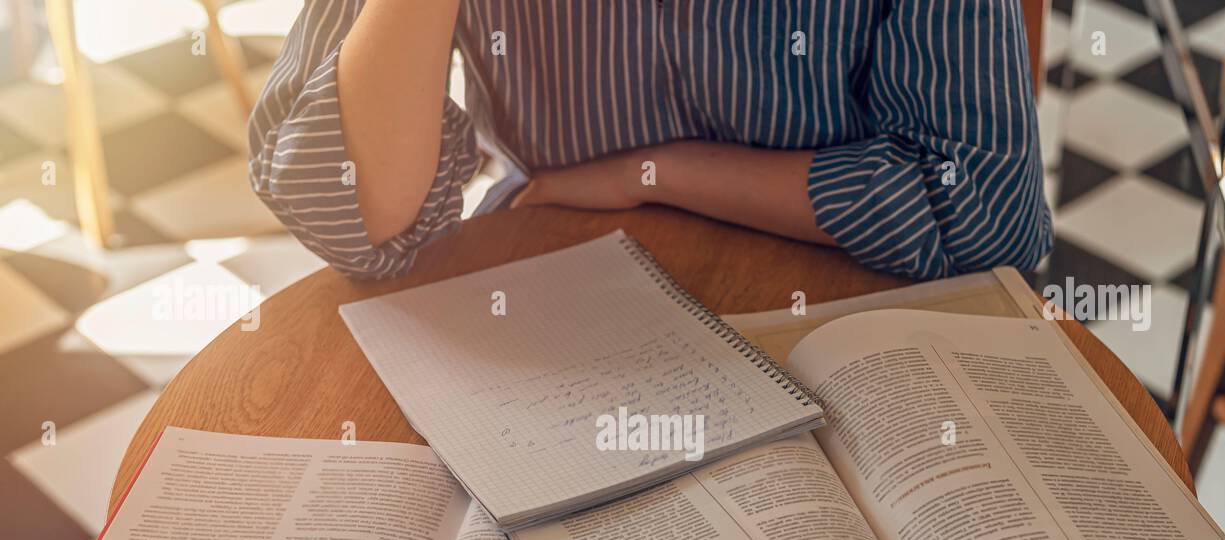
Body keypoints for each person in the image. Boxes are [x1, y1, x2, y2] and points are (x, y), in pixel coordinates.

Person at [250, 0, 1052, 281]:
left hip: (848, 297)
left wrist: (656, 174)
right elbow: (347, 204)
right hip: (556, 292)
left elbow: (979, 206)